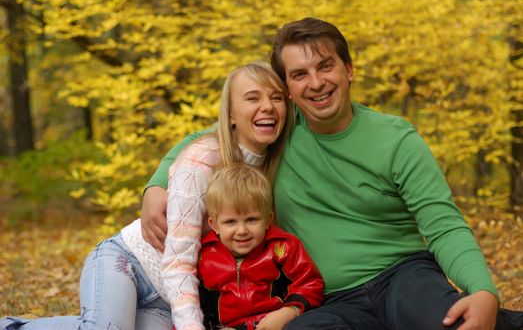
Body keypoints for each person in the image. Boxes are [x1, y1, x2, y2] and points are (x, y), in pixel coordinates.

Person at [140, 18, 523, 330]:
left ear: (349, 69)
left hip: (402, 274)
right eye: (300, 74)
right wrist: (157, 184)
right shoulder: (281, 130)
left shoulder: (396, 139)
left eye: (326, 66)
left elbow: (443, 225)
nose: (316, 82)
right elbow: (214, 135)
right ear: (288, 89)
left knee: (444, 321)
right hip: (327, 299)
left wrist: (484, 290)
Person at [0, 61, 294, 330]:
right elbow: (179, 262)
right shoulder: (199, 163)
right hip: (129, 263)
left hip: (169, 298)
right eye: (253, 98)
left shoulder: (274, 164)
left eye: (276, 97)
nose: (267, 106)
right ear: (230, 114)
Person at [197, 163, 324, 330]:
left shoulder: (283, 248)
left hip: (277, 323)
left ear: (268, 219)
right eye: (230, 222)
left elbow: (310, 283)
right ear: (214, 225)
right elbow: (195, 305)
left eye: (252, 220)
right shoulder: (204, 256)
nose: (242, 230)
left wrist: (289, 312)